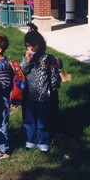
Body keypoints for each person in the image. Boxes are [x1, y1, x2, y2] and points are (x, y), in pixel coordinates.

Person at [20, 23, 60, 152]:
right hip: (28, 94)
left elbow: (54, 76)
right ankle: (30, 140)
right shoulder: (27, 58)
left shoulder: (48, 58)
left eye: (34, 45)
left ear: (40, 44)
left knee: (42, 121)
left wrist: (53, 90)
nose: (31, 48)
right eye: (28, 46)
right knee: (28, 119)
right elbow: (21, 72)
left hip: (43, 95)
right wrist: (27, 60)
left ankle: (43, 142)